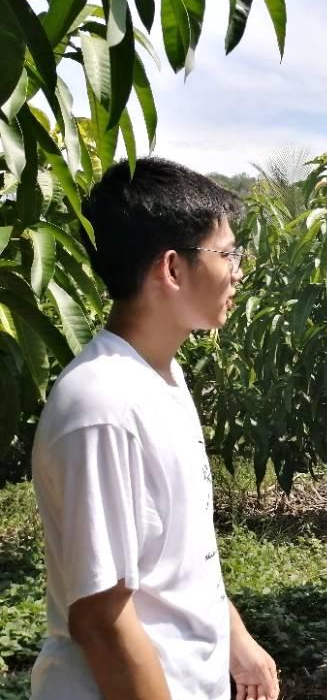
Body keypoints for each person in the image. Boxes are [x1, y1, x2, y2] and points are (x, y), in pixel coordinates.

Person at [30, 158, 278, 700]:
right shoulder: (102, 406)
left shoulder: (162, 379)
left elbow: (179, 558)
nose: (237, 269)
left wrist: (238, 644)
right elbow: (101, 619)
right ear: (172, 268)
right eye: (226, 252)